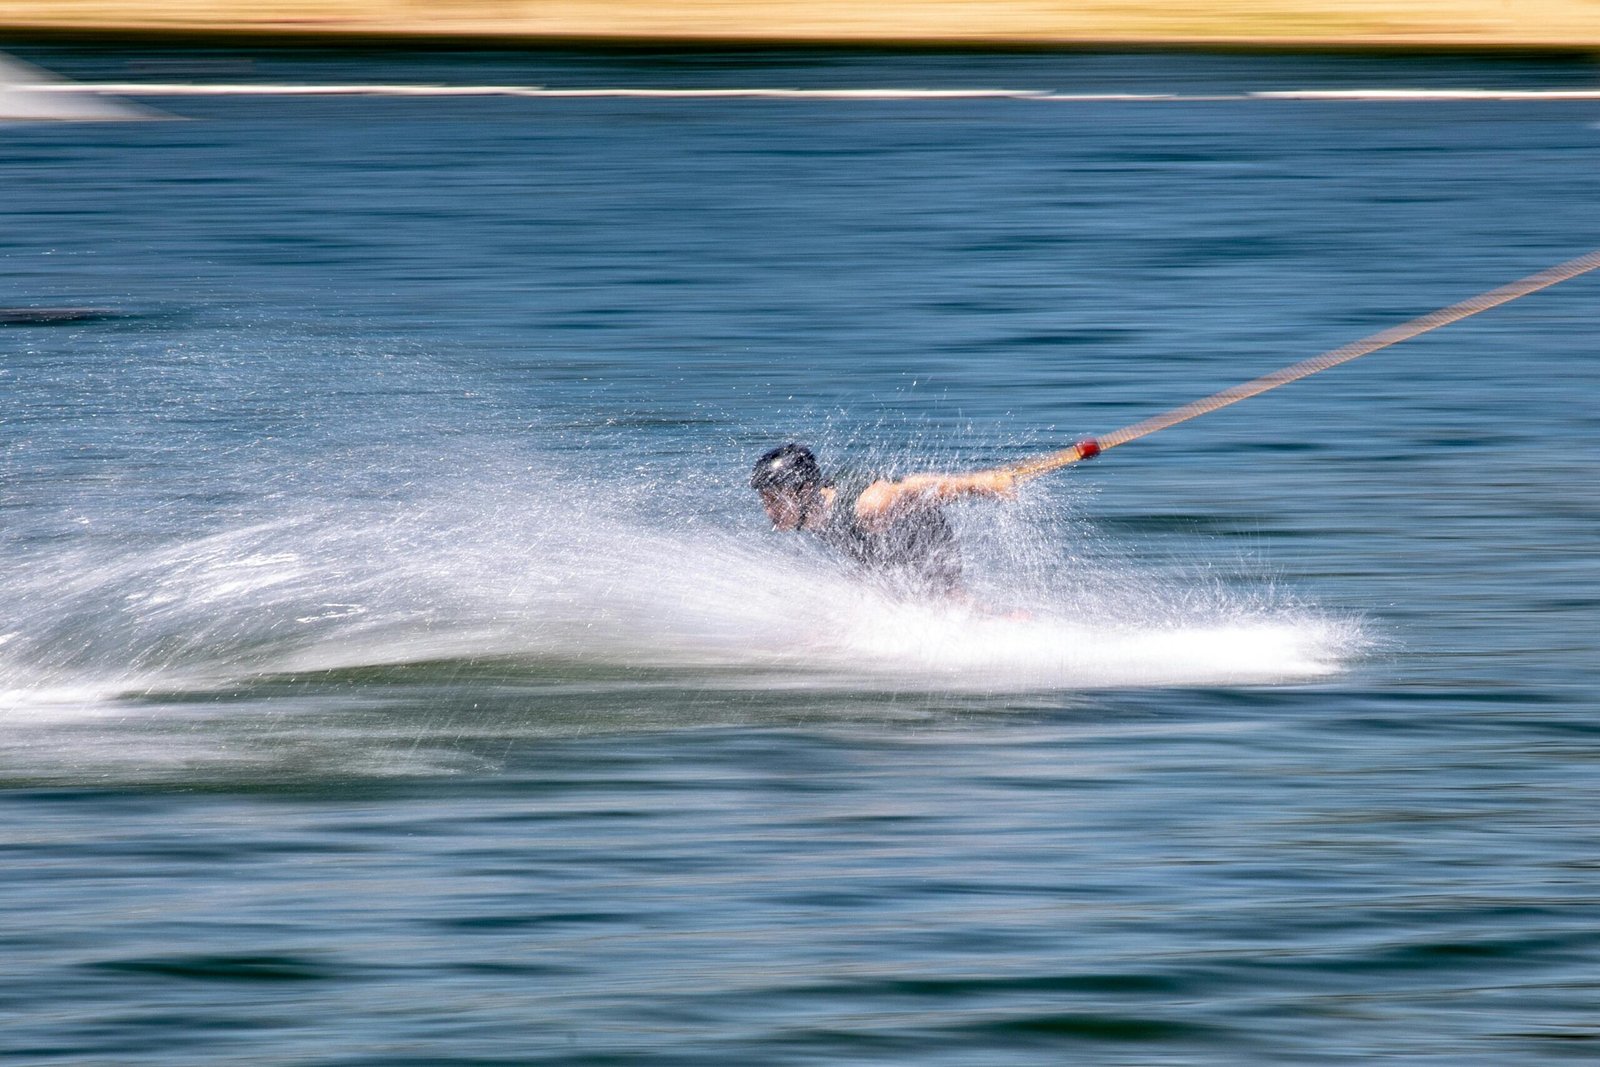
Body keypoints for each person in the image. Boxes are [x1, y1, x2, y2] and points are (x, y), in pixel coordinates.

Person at [749, 443, 1017, 599]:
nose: (769, 510)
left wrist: (981, 484)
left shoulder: (868, 507)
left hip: (927, 549)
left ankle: (1006, 622)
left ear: (804, 491)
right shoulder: (814, 512)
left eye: (774, 500)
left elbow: (911, 489)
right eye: (765, 501)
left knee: (948, 603)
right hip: (888, 557)